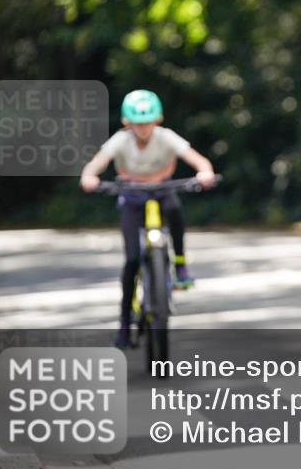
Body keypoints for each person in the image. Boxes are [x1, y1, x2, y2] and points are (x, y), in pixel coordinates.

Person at [79, 89, 215, 349]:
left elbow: (199, 161)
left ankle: (180, 262)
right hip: (132, 196)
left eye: (148, 122)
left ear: (158, 119)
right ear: (127, 123)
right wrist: (89, 178)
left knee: (175, 210)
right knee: (131, 260)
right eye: (138, 123)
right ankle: (123, 325)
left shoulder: (166, 138)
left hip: (161, 190)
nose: (143, 129)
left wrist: (205, 172)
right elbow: (93, 167)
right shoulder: (120, 141)